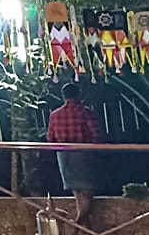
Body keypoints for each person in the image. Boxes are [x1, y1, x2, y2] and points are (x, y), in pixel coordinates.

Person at [48, 82, 101, 226]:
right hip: (82, 153)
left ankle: (85, 228)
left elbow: (50, 138)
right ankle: (77, 225)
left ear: (63, 96)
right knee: (88, 190)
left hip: (63, 156)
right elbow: (95, 134)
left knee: (77, 191)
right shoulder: (85, 112)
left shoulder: (55, 115)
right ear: (78, 95)